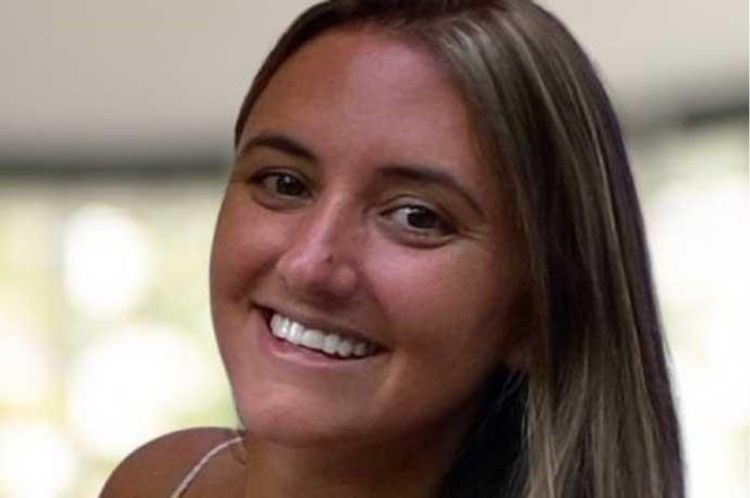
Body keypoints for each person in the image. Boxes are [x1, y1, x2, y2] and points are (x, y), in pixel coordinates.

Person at [101, 1, 684, 497]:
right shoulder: (165, 480)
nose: (309, 265)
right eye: (284, 183)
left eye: (416, 217)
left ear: (538, 311)